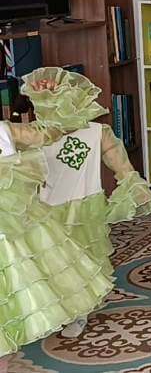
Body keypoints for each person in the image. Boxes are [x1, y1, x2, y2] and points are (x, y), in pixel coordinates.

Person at [18, 68, 151, 338]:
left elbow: (120, 163)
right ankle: (58, 307)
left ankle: (80, 310)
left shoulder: (97, 132)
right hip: (45, 207)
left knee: (83, 257)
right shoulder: (35, 135)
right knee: (51, 260)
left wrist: (131, 183)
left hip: (84, 205)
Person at [0, 133, 114, 372]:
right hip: (18, 229)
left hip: (15, 229)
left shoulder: (6, 131)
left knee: (49, 272)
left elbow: (42, 135)